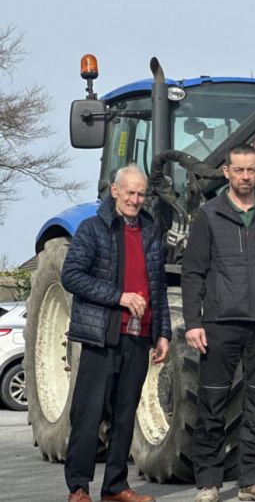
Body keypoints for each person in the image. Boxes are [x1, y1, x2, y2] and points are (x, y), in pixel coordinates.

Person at [182, 144, 255, 502]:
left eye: (251, 170)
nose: (246, 176)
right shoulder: (209, 215)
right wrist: (192, 322)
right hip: (219, 324)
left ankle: (252, 482)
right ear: (227, 172)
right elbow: (193, 272)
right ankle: (209, 483)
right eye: (239, 170)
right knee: (212, 405)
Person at [62, 165, 171, 502]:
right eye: (130, 193)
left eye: (141, 194)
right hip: (102, 336)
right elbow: (72, 276)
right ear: (115, 191)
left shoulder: (152, 232)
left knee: (125, 413)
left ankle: (115, 487)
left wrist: (163, 333)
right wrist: (119, 297)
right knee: (89, 413)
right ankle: (79, 487)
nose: (135, 200)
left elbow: (159, 287)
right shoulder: (93, 229)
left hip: (138, 338)